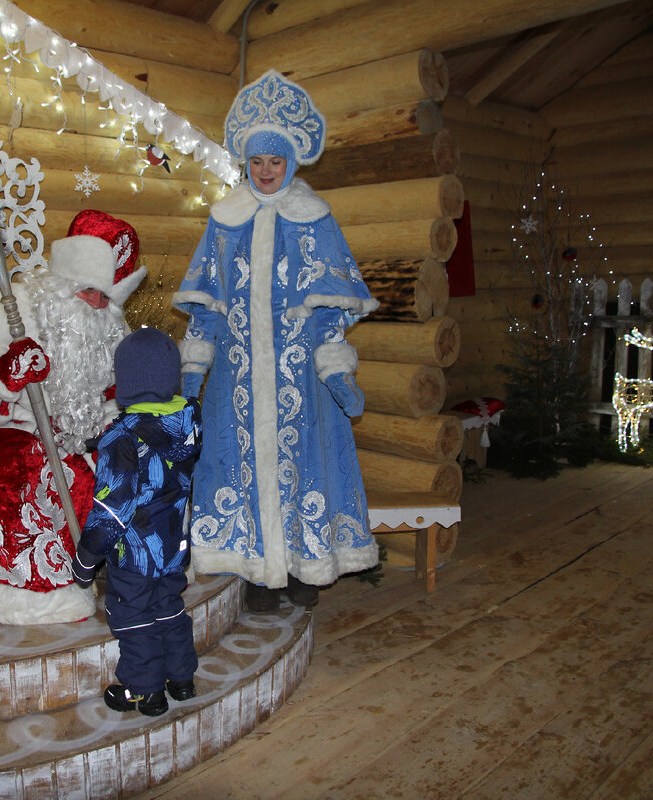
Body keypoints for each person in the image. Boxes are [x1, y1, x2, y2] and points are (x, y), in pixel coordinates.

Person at [173, 70, 380, 612]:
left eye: (276, 161)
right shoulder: (225, 221)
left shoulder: (314, 220)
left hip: (301, 380)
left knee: (303, 466)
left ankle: (302, 569)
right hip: (236, 381)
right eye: (258, 162)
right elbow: (208, 307)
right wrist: (193, 374)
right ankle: (256, 576)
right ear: (246, 162)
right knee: (237, 468)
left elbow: (329, 311)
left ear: (291, 162)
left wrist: (335, 370)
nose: (266, 172)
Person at [0, 210, 146, 625]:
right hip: (4, 428)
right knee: (22, 465)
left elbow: (118, 397)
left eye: (108, 298)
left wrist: (117, 425)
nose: (99, 305)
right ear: (65, 282)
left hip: (81, 436)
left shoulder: (107, 326)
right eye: (91, 293)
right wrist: (7, 382)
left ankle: (134, 574)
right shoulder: (4, 309)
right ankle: (32, 594)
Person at [72, 327, 201, 717]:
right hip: (173, 546)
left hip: (136, 555)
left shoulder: (122, 442)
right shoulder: (188, 421)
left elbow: (112, 512)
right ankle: (181, 680)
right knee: (169, 607)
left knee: (134, 617)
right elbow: (156, 447)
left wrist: (86, 559)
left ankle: (145, 691)